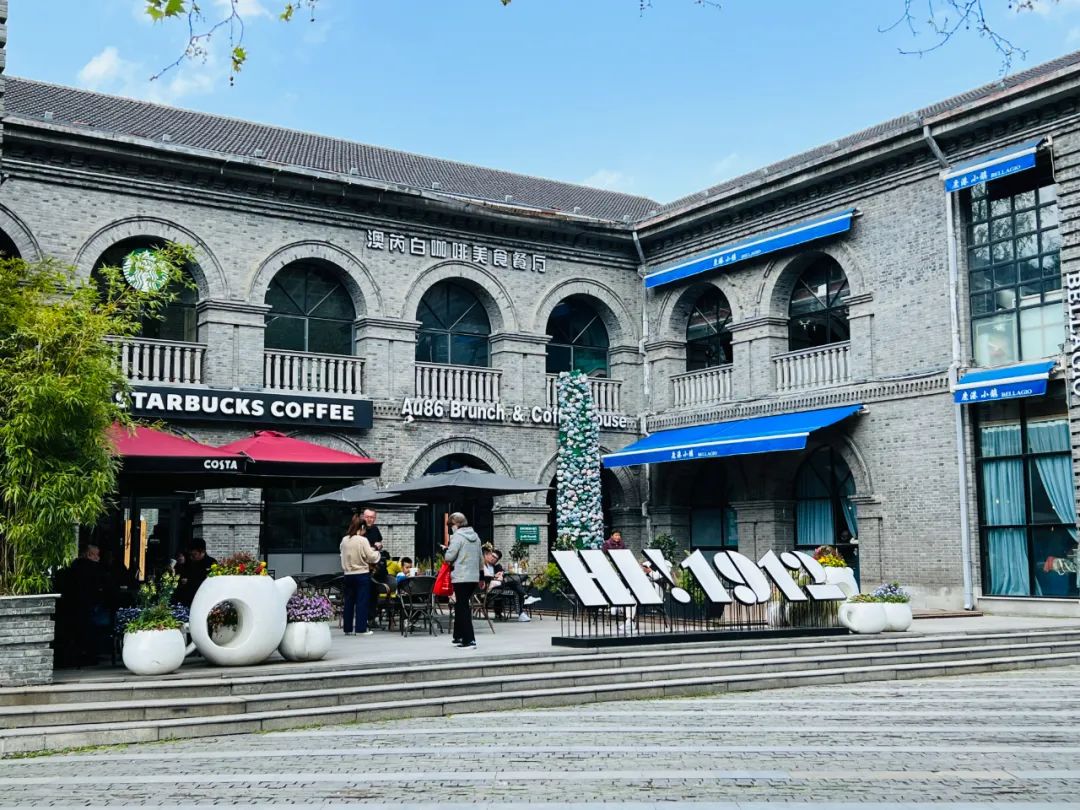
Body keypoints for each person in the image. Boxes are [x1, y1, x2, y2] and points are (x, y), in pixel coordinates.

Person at [56, 542, 113, 666]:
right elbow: (103, 588)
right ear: (89, 555)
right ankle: (92, 654)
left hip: (72, 608)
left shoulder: (72, 567)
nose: (99, 558)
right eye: (96, 555)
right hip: (89, 608)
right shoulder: (94, 569)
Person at [443, 512, 482, 649]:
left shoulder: (457, 537)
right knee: (461, 605)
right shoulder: (476, 537)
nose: (451, 528)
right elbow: (480, 558)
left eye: (451, 526)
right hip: (474, 577)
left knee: (463, 607)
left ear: (456, 524)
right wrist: (481, 575)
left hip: (461, 577)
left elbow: (449, 557)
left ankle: (469, 639)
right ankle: (458, 636)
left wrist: (446, 550)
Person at [339, 514, 381, 636]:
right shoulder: (362, 540)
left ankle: (347, 629)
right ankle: (360, 629)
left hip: (348, 574)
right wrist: (376, 551)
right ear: (362, 527)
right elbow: (371, 557)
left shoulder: (344, 540)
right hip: (361, 574)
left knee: (349, 602)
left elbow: (341, 553)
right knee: (362, 602)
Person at [483, 548, 539, 622]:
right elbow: (484, 578)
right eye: (492, 556)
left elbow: (500, 573)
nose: (493, 558)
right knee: (514, 582)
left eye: (495, 558)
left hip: (499, 586)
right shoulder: (483, 565)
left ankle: (523, 605)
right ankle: (525, 597)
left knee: (516, 585)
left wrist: (500, 574)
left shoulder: (496, 567)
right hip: (489, 589)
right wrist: (495, 577)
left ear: (497, 560)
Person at [174, 539, 216, 607]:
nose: (192, 557)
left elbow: (211, 582)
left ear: (202, 551)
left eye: (194, 554)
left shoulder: (211, 562)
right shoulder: (189, 562)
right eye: (190, 555)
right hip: (187, 599)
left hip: (203, 598)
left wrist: (189, 581)